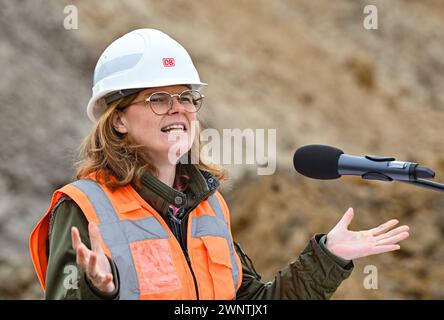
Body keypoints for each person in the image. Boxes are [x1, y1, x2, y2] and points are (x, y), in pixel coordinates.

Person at [29, 29, 410, 300]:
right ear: (118, 119)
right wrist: (99, 292)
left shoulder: (208, 206)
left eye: (187, 97)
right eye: (158, 99)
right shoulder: (85, 208)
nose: (179, 108)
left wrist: (329, 256)